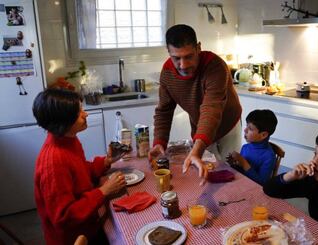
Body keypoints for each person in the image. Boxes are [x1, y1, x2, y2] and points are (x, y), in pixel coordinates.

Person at [149, 24, 242, 185]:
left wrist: (197, 150)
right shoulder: (167, 73)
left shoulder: (215, 66)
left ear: (198, 48)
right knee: (208, 173)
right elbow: (164, 111)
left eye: (188, 56)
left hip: (228, 126)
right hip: (202, 128)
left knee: (232, 173)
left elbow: (211, 108)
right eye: (176, 58)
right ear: (169, 52)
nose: (183, 65)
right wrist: (159, 141)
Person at [32, 88, 126, 245]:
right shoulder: (53, 162)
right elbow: (64, 216)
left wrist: (106, 161)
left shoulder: (68, 140)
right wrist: (104, 191)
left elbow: (80, 171)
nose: (85, 114)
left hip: (90, 226)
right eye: (78, 112)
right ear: (63, 121)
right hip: (74, 238)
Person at [227, 109, 278, 185]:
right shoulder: (245, 147)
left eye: (250, 128)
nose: (245, 130)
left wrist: (244, 162)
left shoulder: (269, 157)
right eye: (246, 125)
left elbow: (262, 183)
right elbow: (241, 170)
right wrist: (234, 163)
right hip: (240, 183)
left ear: (263, 135)